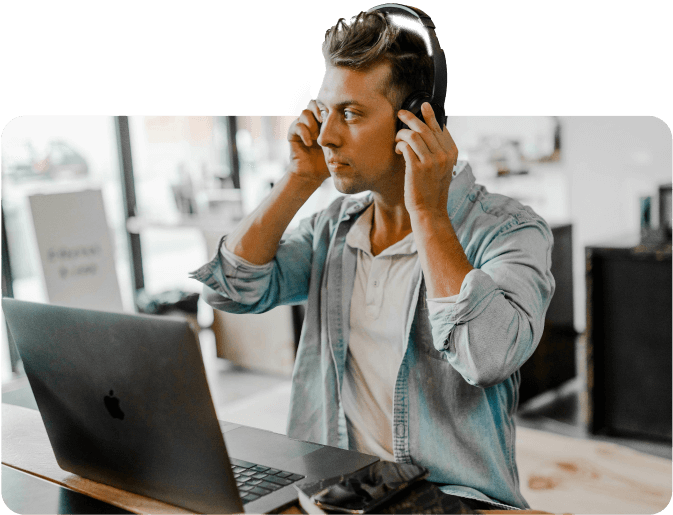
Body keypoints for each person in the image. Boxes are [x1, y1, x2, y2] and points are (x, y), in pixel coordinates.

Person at [190, 8, 554, 510]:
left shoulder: (508, 230)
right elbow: (228, 289)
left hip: (450, 502)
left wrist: (427, 210)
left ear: (417, 121)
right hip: (331, 494)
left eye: (352, 114)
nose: (326, 135)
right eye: (325, 112)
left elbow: (487, 357)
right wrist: (299, 181)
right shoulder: (333, 229)